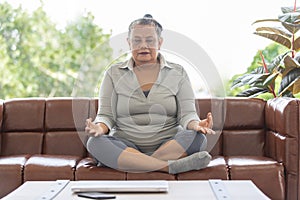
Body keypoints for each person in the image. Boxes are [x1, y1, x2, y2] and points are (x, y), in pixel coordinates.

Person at [85, 14, 214, 174]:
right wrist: (99, 128)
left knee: (197, 138)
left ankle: (134, 162)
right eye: (137, 41)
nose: (143, 46)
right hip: (126, 144)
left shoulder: (178, 72)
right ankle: (168, 166)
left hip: (168, 144)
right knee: (95, 143)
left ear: (160, 43)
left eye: (150, 40)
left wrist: (196, 125)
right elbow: (106, 115)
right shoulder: (113, 73)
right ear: (129, 43)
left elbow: (187, 114)